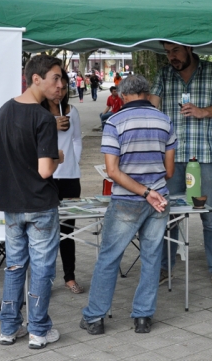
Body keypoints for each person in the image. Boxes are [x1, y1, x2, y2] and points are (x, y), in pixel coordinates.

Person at [80, 74, 177, 335]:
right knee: (152, 258)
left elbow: (112, 171)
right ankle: (143, 317)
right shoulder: (165, 120)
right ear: (146, 93)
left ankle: (95, 317)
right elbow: (169, 170)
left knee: (109, 258)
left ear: (122, 96)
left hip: (126, 200)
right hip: (159, 199)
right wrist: (150, 189)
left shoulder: (114, 122)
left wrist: (143, 191)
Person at [150, 41, 212, 292]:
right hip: (172, 157)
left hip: (204, 157)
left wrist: (204, 112)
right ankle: (165, 268)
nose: (171, 57)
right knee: (169, 215)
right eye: (167, 53)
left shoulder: (211, 71)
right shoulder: (164, 74)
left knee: (209, 215)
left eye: (175, 51)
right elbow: (153, 103)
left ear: (188, 48)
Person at [0, 54, 65, 349]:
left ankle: (9, 328)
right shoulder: (43, 117)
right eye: (55, 78)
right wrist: (58, 157)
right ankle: (38, 329)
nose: (60, 85)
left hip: (11, 202)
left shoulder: (4, 110)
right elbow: (45, 170)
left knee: (14, 266)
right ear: (36, 78)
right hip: (39, 205)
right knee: (41, 268)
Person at [41, 70, 84, 294]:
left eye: (64, 86)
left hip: (69, 178)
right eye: (56, 84)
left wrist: (73, 163)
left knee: (67, 230)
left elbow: (76, 140)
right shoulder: (36, 113)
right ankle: (44, 279)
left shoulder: (71, 111)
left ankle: (70, 277)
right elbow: (30, 140)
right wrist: (51, 124)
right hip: (46, 177)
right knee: (44, 230)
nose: (60, 90)